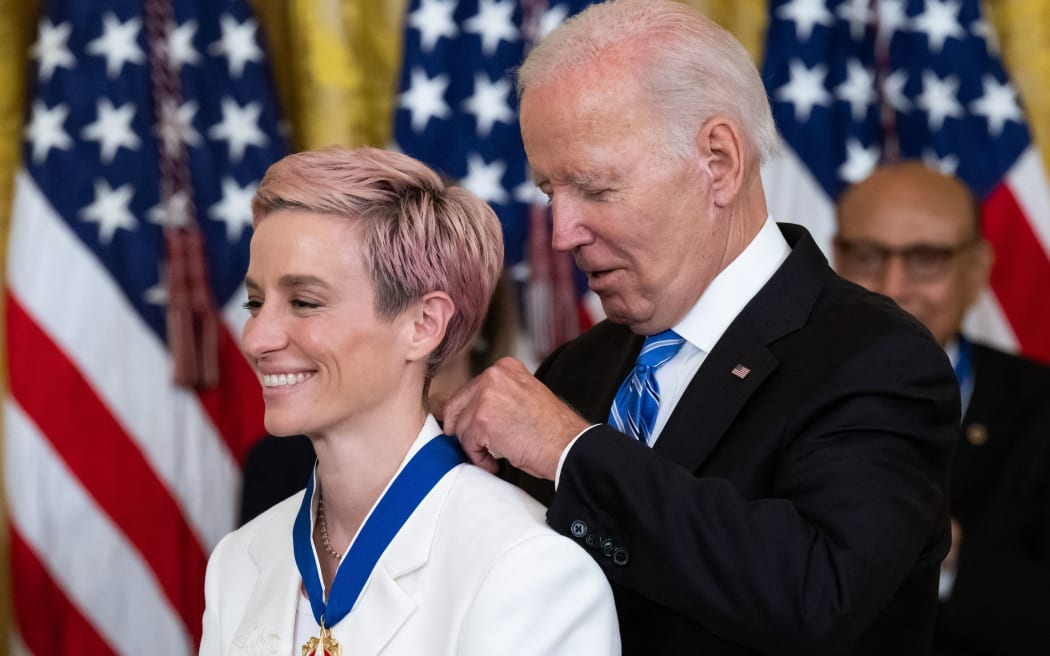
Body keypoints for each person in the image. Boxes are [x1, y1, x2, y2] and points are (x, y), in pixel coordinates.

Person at [441, 1, 959, 654]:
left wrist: (572, 450)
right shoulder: (578, 369)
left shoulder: (877, 358)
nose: (564, 232)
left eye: (595, 189)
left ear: (717, 162)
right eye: (550, 193)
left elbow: (818, 594)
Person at [199, 146, 620, 655]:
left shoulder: (528, 568)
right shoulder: (237, 561)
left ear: (423, 326)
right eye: (256, 303)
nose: (256, 338)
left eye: (305, 302)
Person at [834, 161, 1050, 656]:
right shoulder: (764, 383)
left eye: (926, 258)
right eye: (868, 256)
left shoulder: (1041, 409)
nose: (893, 286)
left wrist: (943, 554)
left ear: (977, 270)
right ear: (835, 261)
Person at [237, 275, 517, 525]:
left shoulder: (516, 446)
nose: (425, 318)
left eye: (304, 302)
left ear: (485, 314)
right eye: (255, 304)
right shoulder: (279, 459)